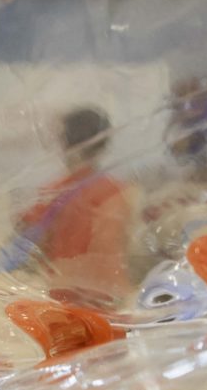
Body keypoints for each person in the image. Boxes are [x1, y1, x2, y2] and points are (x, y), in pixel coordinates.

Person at [12, 105, 135, 303]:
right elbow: (120, 250)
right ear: (103, 144)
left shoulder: (51, 194)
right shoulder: (119, 193)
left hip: (61, 295)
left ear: (64, 142)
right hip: (109, 297)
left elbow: (29, 240)